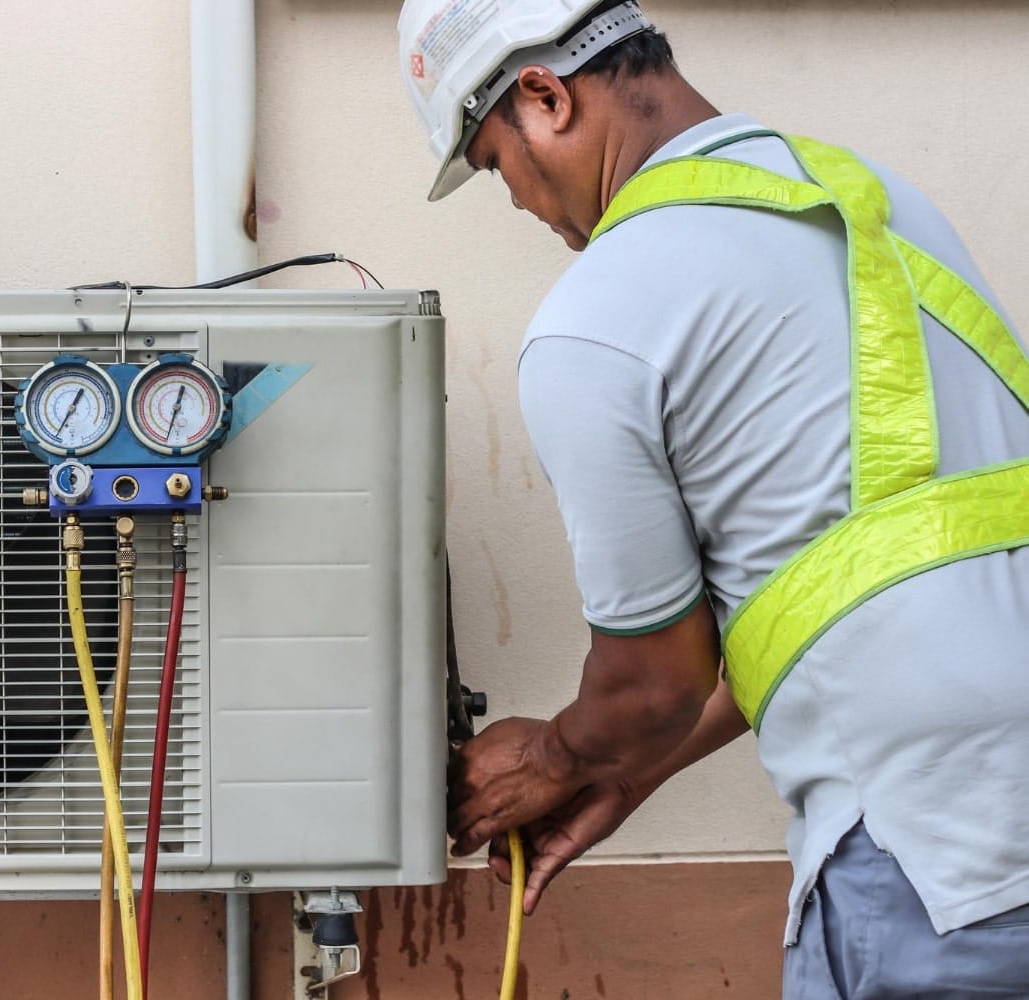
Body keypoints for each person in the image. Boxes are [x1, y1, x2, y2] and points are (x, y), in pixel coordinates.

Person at [397, 1, 1029, 996]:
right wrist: (623, 769)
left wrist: (559, 754)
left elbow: (650, 683)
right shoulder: (883, 205)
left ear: (545, 96)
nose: (516, 199)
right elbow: (846, 578)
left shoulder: (597, 323)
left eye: (491, 164)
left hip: (937, 857)